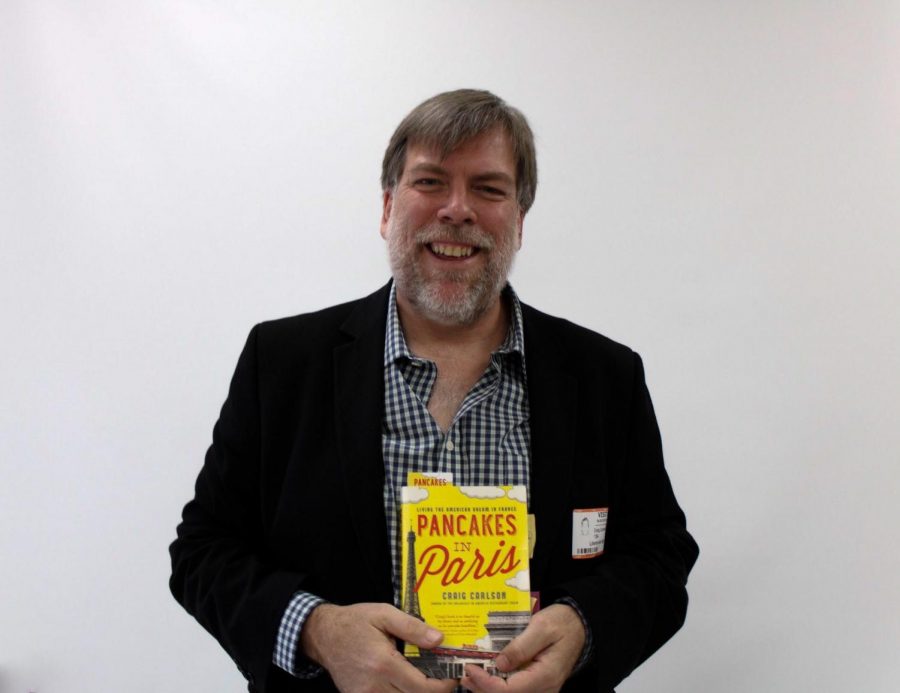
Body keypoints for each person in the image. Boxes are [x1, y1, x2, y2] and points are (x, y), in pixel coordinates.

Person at [170, 89, 698, 693]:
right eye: (430, 182)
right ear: (388, 207)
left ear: (520, 221)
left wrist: (584, 627)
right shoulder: (284, 362)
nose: (457, 209)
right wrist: (316, 629)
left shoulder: (606, 376)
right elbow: (203, 551)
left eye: (489, 189)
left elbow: (659, 556)